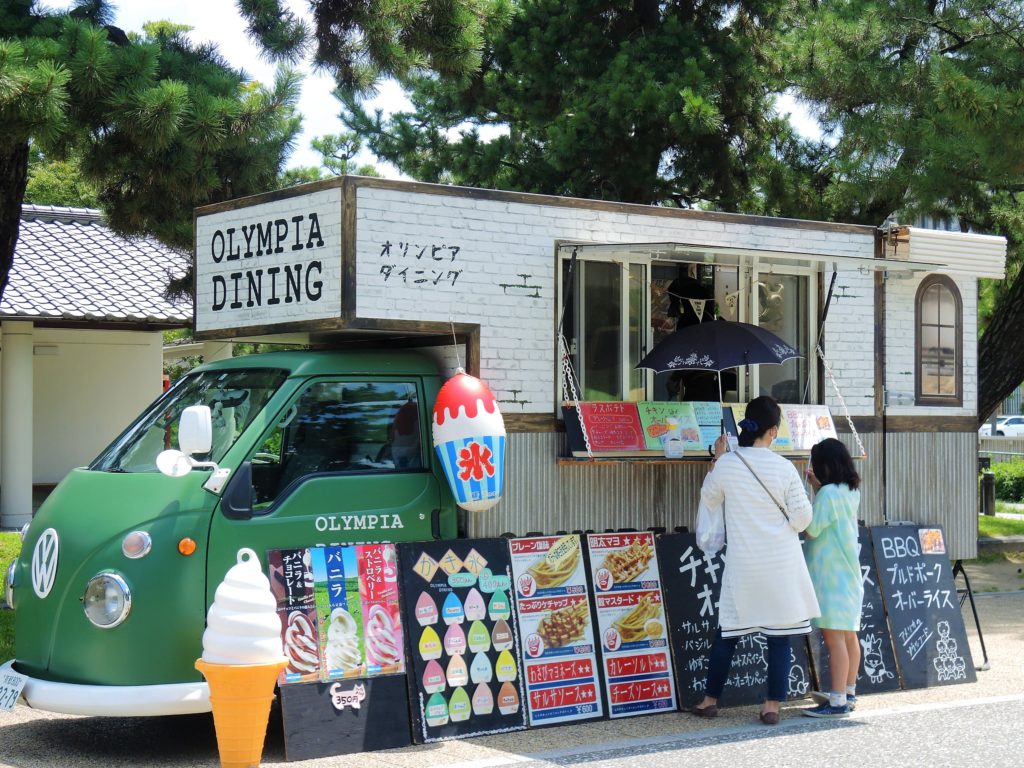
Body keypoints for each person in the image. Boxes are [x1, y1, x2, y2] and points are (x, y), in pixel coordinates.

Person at [691, 395, 820, 725]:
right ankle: (772, 706)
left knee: (728, 633)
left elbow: (709, 498)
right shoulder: (784, 468)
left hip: (743, 565)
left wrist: (717, 459)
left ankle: (709, 700)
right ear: (773, 431)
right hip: (781, 564)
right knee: (779, 637)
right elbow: (803, 519)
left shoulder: (728, 464)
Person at [801, 437, 863, 718]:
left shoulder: (827, 495)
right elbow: (833, 511)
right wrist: (818, 488)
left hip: (829, 579)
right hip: (848, 577)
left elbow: (812, 530)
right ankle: (847, 692)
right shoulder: (850, 490)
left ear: (824, 466)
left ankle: (836, 702)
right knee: (849, 637)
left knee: (834, 639)